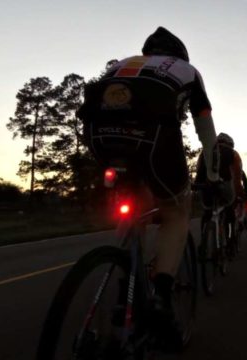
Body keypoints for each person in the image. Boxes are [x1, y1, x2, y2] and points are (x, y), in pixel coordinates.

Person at [78, 26, 219, 348]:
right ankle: (161, 297)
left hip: (99, 136)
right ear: (179, 54)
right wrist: (211, 175)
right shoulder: (188, 71)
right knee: (175, 211)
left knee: (134, 204)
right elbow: (205, 131)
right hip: (152, 137)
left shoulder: (122, 64)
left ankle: (124, 289)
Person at [194, 132, 245, 253]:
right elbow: (237, 178)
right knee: (229, 209)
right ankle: (231, 240)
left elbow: (199, 171)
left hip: (207, 187)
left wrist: (197, 186)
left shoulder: (205, 151)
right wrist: (239, 195)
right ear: (230, 144)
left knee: (207, 212)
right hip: (225, 187)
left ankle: (203, 242)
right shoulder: (234, 154)